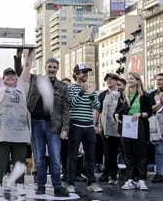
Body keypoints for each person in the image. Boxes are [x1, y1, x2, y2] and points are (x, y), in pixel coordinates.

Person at [0, 48, 33, 193]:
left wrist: (31, 53)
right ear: (3, 79)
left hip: (20, 129)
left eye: (13, 76)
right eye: (8, 76)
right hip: (2, 129)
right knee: (0, 158)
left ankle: (19, 183)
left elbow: (27, 68)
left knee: (19, 159)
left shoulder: (22, 87)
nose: (11, 77)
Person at [26, 57, 70, 197]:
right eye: (49, 67)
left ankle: (57, 187)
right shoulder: (35, 80)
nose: (52, 69)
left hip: (54, 126)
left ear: (57, 69)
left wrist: (65, 128)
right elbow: (24, 70)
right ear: (45, 67)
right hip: (35, 123)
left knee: (55, 157)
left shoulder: (62, 87)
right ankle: (41, 186)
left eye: (54, 67)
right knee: (38, 157)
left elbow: (66, 109)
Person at [66, 64, 103, 193]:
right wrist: (82, 92)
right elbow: (71, 105)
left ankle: (92, 182)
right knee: (72, 156)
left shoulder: (91, 88)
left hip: (89, 125)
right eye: (83, 72)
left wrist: (91, 94)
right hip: (75, 124)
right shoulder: (70, 88)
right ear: (76, 74)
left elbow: (97, 105)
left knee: (90, 157)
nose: (85, 75)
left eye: (87, 73)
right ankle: (70, 183)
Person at [115, 72, 151, 191]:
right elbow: (117, 110)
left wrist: (140, 114)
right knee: (128, 153)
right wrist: (116, 115)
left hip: (139, 124)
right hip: (126, 124)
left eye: (131, 79)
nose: (129, 80)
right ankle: (129, 179)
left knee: (141, 153)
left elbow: (149, 113)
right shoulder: (123, 95)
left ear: (138, 80)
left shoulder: (144, 95)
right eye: (128, 79)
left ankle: (141, 179)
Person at [95, 73, 122, 185]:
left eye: (111, 79)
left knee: (118, 151)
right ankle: (109, 173)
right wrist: (95, 124)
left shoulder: (122, 93)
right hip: (106, 127)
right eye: (107, 80)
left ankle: (117, 173)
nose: (109, 81)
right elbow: (97, 110)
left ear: (117, 81)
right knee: (108, 152)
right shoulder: (102, 95)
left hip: (120, 127)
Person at [149, 73, 163, 183]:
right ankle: (159, 173)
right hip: (158, 126)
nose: (158, 81)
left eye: (161, 80)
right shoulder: (152, 94)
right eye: (157, 80)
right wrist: (160, 103)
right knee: (159, 151)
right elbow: (150, 110)